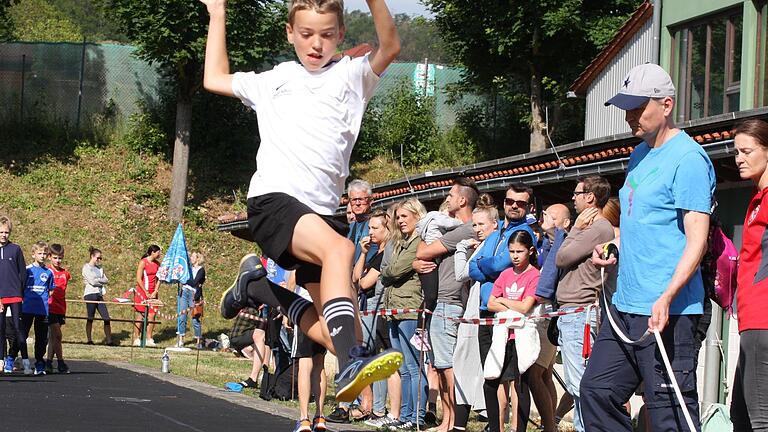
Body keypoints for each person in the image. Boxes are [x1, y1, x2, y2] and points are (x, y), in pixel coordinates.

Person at [201, 0, 403, 403]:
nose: (316, 44)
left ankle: (260, 290)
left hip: (323, 213)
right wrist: (218, 14)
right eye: (307, 34)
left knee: (340, 333)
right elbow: (214, 77)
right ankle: (351, 362)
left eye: (327, 35)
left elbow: (391, 46)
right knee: (341, 249)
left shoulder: (352, 76)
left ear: (341, 35)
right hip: (274, 201)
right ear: (290, 33)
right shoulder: (274, 79)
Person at [581, 63, 715, 431]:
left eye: (639, 108)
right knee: (596, 392)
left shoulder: (688, 159)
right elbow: (641, 225)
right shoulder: (639, 155)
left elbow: (697, 239)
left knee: (669, 411)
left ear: (667, 105)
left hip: (667, 311)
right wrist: (614, 248)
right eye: (626, 108)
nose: (630, 116)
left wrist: (668, 295)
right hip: (624, 305)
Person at [414, 177, 479, 432]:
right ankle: (446, 419)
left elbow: (423, 251)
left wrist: (418, 258)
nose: (447, 198)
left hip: (448, 303)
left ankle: (451, 421)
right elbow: (421, 257)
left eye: (451, 195)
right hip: (443, 303)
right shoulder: (453, 230)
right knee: (440, 366)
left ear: (462, 200)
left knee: (447, 367)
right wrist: (416, 264)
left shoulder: (464, 230)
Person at [554, 176, 615, 432]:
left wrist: (576, 229)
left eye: (577, 193)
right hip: (573, 311)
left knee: (580, 382)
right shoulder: (594, 229)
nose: (574, 198)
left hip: (580, 311)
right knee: (576, 380)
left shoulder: (598, 228)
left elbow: (562, 256)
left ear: (590, 197)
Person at [730, 119, 768, 431]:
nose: (739, 158)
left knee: (759, 419)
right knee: (741, 416)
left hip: (762, 318)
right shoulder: (757, 199)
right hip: (750, 319)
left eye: (747, 151)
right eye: (736, 152)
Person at [452, 195, 499, 432]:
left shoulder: (494, 246)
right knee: (463, 362)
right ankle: (461, 422)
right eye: (475, 225)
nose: (477, 229)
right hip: (470, 312)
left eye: (482, 224)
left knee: (478, 366)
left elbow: (462, 273)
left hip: (481, 314)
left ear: (494, 225)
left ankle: (481, 420)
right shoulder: (479, 246)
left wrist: (460, 250)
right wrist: (463, 247)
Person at [486, 230, 540, 432]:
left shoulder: (534, 275)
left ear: (530, 251)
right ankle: (495, 427)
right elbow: (490, 303)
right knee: (492, 382)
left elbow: (527, 307)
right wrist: (513, 306)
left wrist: (503, 301)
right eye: (511, 251)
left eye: (520, 251)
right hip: (502, 336)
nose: (515, 256)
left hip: (523, 337)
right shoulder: (505, 274)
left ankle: (519, 428)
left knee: (521, 385)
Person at [381, 198, 428, 430]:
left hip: (410, 308)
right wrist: (389, 271)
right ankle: (406, 415)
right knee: (403, 367)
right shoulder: (401, 242)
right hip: (394, 308)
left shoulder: (418, 242)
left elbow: (395, 269)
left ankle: (416, 417)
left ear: (416, 216)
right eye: (397, 217)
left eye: (404, 216)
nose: (399, 221)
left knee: (413, 366)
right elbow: (385, 272)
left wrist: (390, 271)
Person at [530, 203, 572, 432]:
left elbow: (550, 278)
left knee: (535, 372)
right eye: (544, 213)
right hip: (540, 311)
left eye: (551, 215)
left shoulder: (562, 243)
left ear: (565, 223)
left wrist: (539, 295)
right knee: (545, 373)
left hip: (549, 311)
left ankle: (550, 425)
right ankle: (551, 423)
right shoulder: (542, 242)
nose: (544, 216)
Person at [351, 210, 393, 423]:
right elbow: (356, 277)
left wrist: (361, 278)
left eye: (376, 228)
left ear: (388, 229)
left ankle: (375, 407)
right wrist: (364, 253)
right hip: (366, 306)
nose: (371, 232)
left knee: (370, 359)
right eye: (370, 228)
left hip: (376, 309)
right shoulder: (375, 253)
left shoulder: (387, 254)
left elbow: (364, 283)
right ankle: (369, 404)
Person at [291, 283, 328, 432]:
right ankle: (320, 416)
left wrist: (288, 309)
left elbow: (292, 280)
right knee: (319, 363)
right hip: (322, 308)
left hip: (304, 307)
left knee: (305, 364)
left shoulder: (299, 259)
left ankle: (304, 418)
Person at [0, 215, 27, 374]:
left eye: (6, 232)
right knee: (1, 329)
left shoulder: (15, 249)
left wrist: (20, 292)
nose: (4, 235)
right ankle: (1, 361)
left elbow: (22, 273)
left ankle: (25, 361)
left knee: (18, 328)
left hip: (15, 295)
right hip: (1, 297)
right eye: (1, 232)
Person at [22, 241, 54, 375]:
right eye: (39, 253)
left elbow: (51, 289)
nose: (42, 256)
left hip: (42, 310)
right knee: (21, 335)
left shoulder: (49, 272)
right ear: (33, 254)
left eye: (44, 253)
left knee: (41, 339)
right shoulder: (27, 270)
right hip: (27, 308)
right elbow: (21, 287)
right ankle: (14, 359)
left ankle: (39, 363)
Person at [46, 243, 71, 374]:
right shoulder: (47, 271)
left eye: (60, 258)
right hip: (50, 307)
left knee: (53, 338)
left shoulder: (65, 273)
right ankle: (61, 362)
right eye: (55, 258)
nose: (58, 260)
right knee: (57, 335)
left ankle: (49, 362)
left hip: (61, 308)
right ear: (50, 257)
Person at [82, 246, 112, 346]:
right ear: (92, 256)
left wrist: (98, 280)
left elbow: (106, 280)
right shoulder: (86, 267)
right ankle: (89, 339)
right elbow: (92, 282)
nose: (99, 260)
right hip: (90, 294)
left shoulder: (100, 268)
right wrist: (100, 280)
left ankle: (109, 340)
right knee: (90, 317)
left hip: (99, 294)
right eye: (97, 258)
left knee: (106, 318)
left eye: (100, 258)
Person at [133, 244, 162, 347]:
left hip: (153, 292)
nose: (159, 254)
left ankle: (149, 338)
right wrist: (145, 291)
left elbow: (159, 278)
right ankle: (136, 337)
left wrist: (155, 290)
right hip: (142, 292)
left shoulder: (157, 264)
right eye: (158, 252)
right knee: (140, 315)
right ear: (153, 252)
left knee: (152, 315)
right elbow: (138, 278)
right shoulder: (143, 262)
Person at [177, 251, 206, 348]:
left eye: (193, 257)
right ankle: (181, 339)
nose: (191, 258)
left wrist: (185, 280)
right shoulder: (188, 269)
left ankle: (198, 341)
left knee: (195, 318)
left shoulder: (201, 270)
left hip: (194, 295)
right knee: (182, 316)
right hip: (184, 292)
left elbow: (194, 282)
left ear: (198, 259)